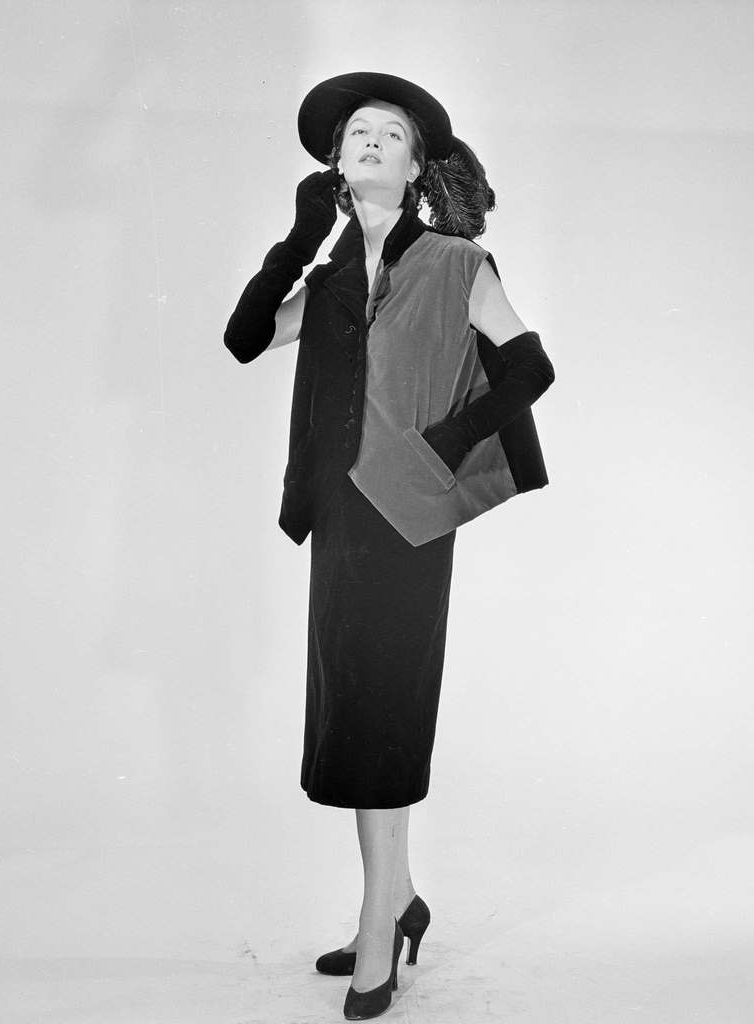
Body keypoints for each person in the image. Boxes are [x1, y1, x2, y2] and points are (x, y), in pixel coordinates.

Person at [223, 72, 554, 1020]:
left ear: (415, 166)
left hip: (409, 518)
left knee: (384, 717)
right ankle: (400, 900)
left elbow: (530, 366)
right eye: (355, 133)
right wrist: (299, 237)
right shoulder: (326, 281)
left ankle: (380, 926)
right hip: (339, 521)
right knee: (356, 713)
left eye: (389, 134)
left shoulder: (456, 263)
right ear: (336, 165)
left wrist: (442, 448)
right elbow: (246, 337)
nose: (368, 140)